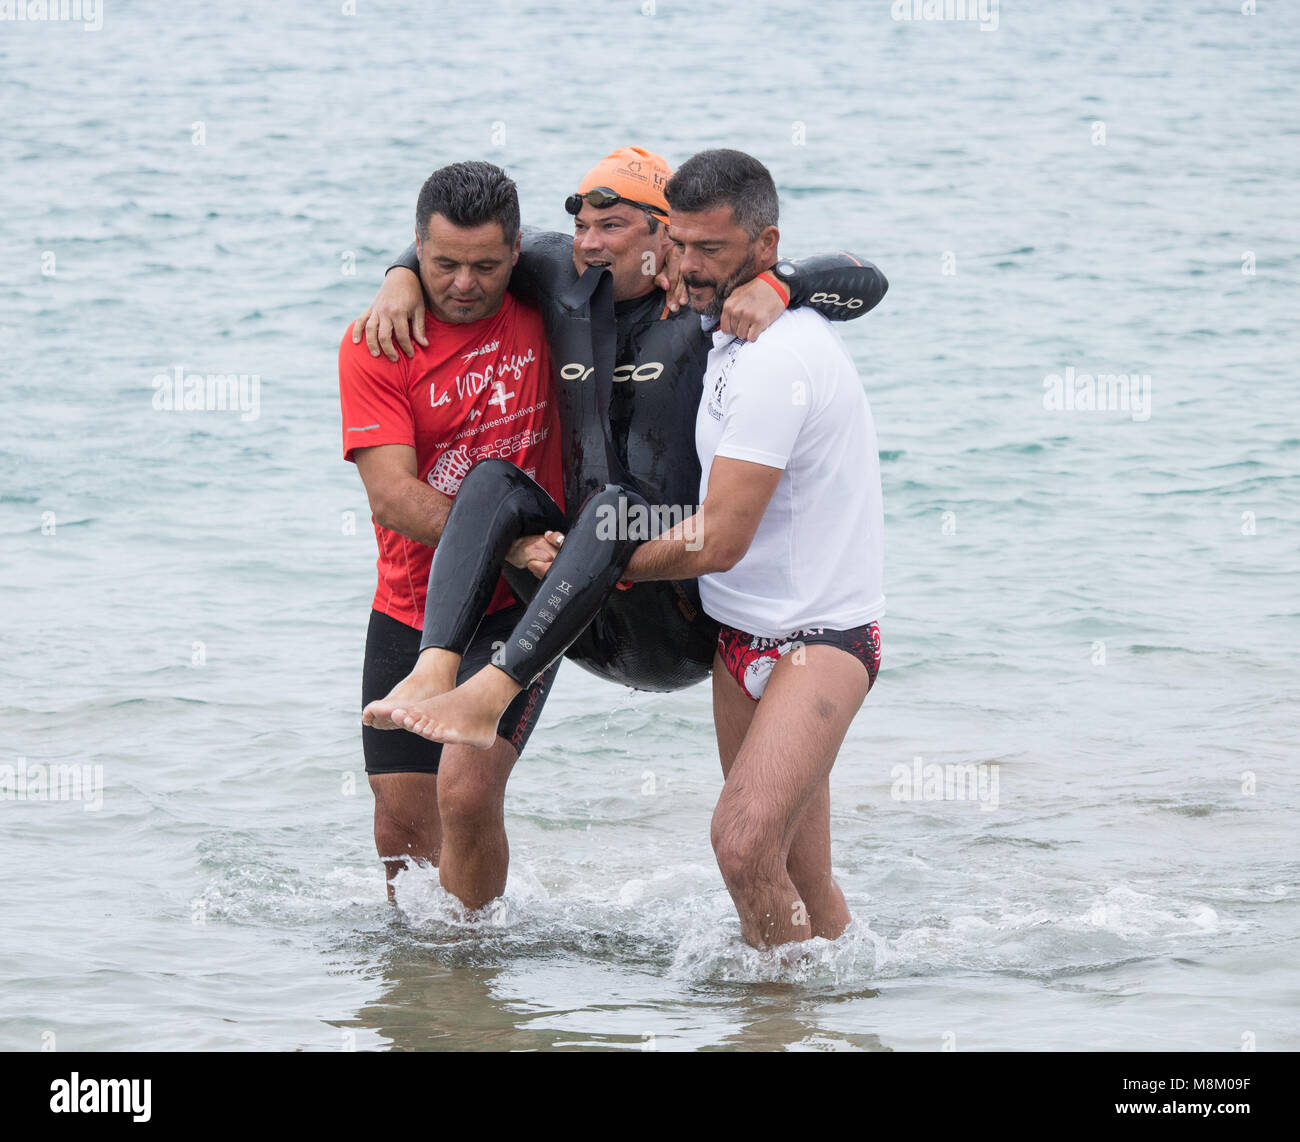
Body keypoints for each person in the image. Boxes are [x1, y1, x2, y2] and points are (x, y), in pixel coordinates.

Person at [388, 149, 887, 951]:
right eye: (581, 225)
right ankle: (810, 1005)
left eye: (614, 227)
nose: (590, 243)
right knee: (493, 484)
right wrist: (398, 275)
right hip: (609, 606)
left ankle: (791, 1005)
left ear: (663, 233)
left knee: (753, 845)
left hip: (683, 603)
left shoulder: (727, 317)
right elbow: (468, 251)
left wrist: (783, 282)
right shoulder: (559, 275)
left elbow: (863, 278)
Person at [338, 160, 564, 905]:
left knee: (465, 796)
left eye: (486, 266)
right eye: (441, 264)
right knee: (402, 823)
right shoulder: (379, 342)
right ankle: (426, 992)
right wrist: (399, 278)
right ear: (415, 247)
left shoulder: (549, 298)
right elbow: (394, 498)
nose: (465, 283)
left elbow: (647, 256)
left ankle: (474, 971)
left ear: (518, 251)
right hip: (413, 602)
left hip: (524, 601)